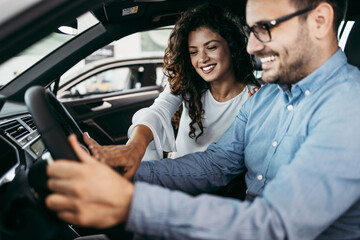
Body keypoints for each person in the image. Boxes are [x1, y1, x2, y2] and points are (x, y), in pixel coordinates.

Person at [45, 0, 360, 239]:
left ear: (319, 21)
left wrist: (130, 202)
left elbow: (274, 224)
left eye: (265, 27)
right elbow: (216, 164)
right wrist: (128, 171)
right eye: (251, 32)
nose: (251, 45)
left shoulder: (349, 107)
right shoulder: (267, 99)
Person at [84, 4, 259, 178]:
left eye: (211, 47)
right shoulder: (189, 85)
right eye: (193, 52)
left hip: (215, 188)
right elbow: (158, 110)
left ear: (232, 48)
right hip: (173, 176)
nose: (203, 59)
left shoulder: (254, 97)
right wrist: (134, 147)